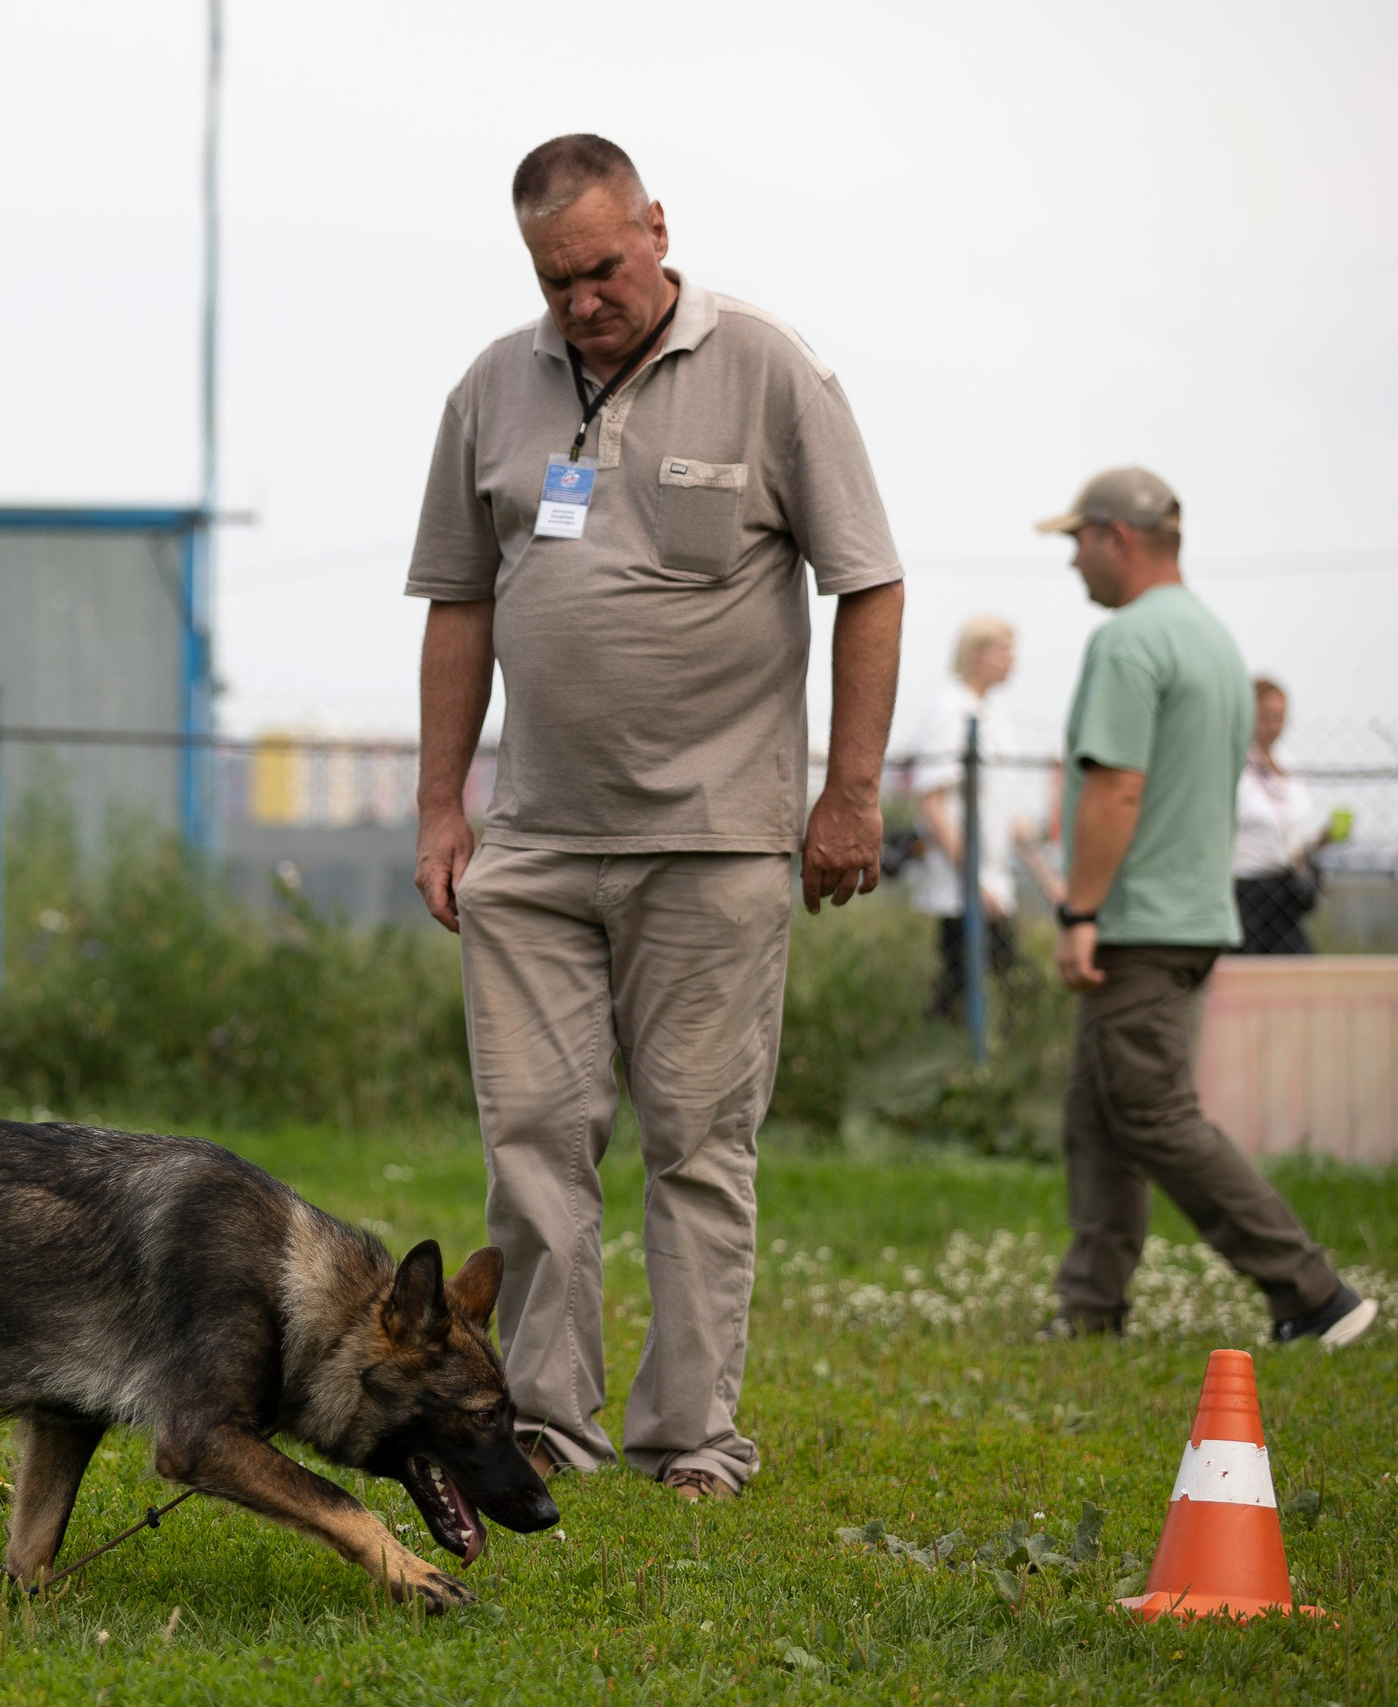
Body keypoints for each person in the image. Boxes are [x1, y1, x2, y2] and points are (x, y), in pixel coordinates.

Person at [408, 135, 906, 1501]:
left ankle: (692, 1441)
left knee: (697, 1143)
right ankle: (547, 1424)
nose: (583, 300)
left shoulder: (769, 368)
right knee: (536, 1145)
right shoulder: (490, 389)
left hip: (717, 840)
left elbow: (869, 581)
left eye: (605, 268)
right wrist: (442, 804)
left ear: (658, 229)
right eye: (556, 278)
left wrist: (847, 792)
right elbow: (460, 600)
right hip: (538, 843)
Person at [1039, 468, 1375, 1347]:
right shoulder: (1213, 640)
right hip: (1190, 913)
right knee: (1099, 1110)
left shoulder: (1130, 641)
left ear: (1116, 535)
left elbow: (1115, 789)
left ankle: (1312, 1292)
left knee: (1152, 1113)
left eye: (1077, 539)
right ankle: (1090, 1307)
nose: (1071, 559)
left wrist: (1081, 913)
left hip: (1136, 921)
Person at [899, 617, 1062, 1018]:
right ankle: (964, 1062)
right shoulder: (950, 711)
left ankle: (957, 1059)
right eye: (1003, 650)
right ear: (975, 655)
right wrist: (972, 875)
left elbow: (1008, 813)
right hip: (962, 881)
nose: (1013, 661)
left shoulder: (993, 716)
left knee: (974, 980)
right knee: (986, 977)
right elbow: (932, 802)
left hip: (991, 875)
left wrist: (1048, 879)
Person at [1233, 677, 1332, 954]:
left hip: (1285, 889)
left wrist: (1321, 840)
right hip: (1244, 889)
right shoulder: (1231, 765)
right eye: (1266, 717)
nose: (1274, 726)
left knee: (1300, 970)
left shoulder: (1288, 767)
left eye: (1280, 718)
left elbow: (1294, 834)